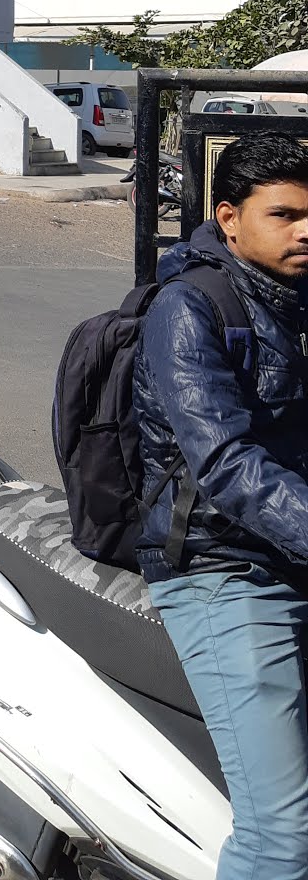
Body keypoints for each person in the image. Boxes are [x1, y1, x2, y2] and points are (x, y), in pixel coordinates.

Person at [134, 133, 308, 880]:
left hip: (289, 552)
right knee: (281, 842)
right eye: (285, 215)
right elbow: (227, 465)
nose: (305, 231)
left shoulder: (295, 301)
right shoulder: (189, 308)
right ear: (229, 218)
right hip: (222, 568)